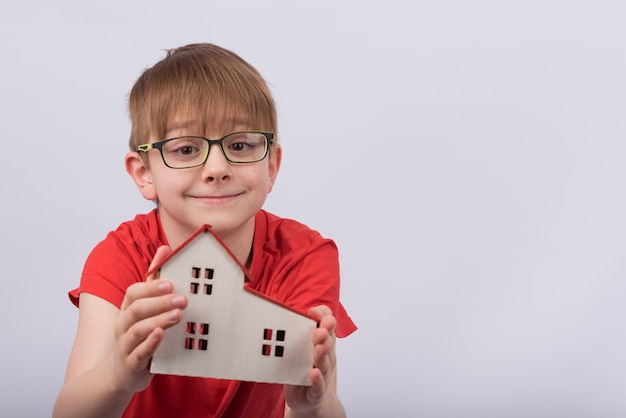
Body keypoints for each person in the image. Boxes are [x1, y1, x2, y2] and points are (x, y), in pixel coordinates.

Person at [52, 43, 356, 418]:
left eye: (241, 145)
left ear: (272, 166)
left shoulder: (305, 255)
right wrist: (119, 373)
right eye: (185, 150)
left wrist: (311, 406)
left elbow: (319, 402)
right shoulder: (121, 254)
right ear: (144, 174)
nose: (217, 168)